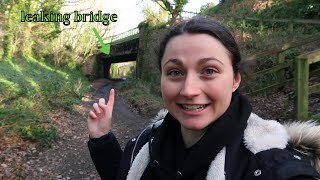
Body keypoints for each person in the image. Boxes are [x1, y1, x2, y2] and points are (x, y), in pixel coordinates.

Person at [87, 16, 320, 180]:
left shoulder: (271, 164)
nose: (189, 90)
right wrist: (102, 140)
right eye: (175, 72)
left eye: (209, 71)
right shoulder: (145, 142)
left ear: (235, 79)